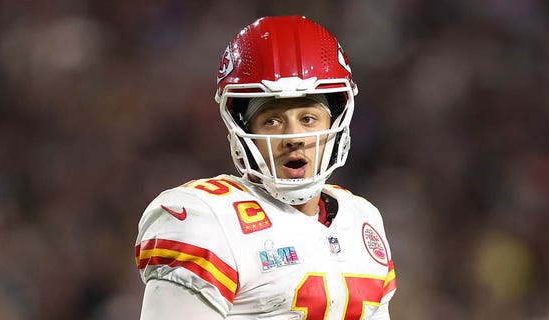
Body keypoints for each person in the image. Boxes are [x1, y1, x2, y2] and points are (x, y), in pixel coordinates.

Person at [135, 15, 397, 319]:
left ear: (334, 124)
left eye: (308, 119)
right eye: (272, 120)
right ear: (242, 129)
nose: (293, 138)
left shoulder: (363, 220)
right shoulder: (206, 219)